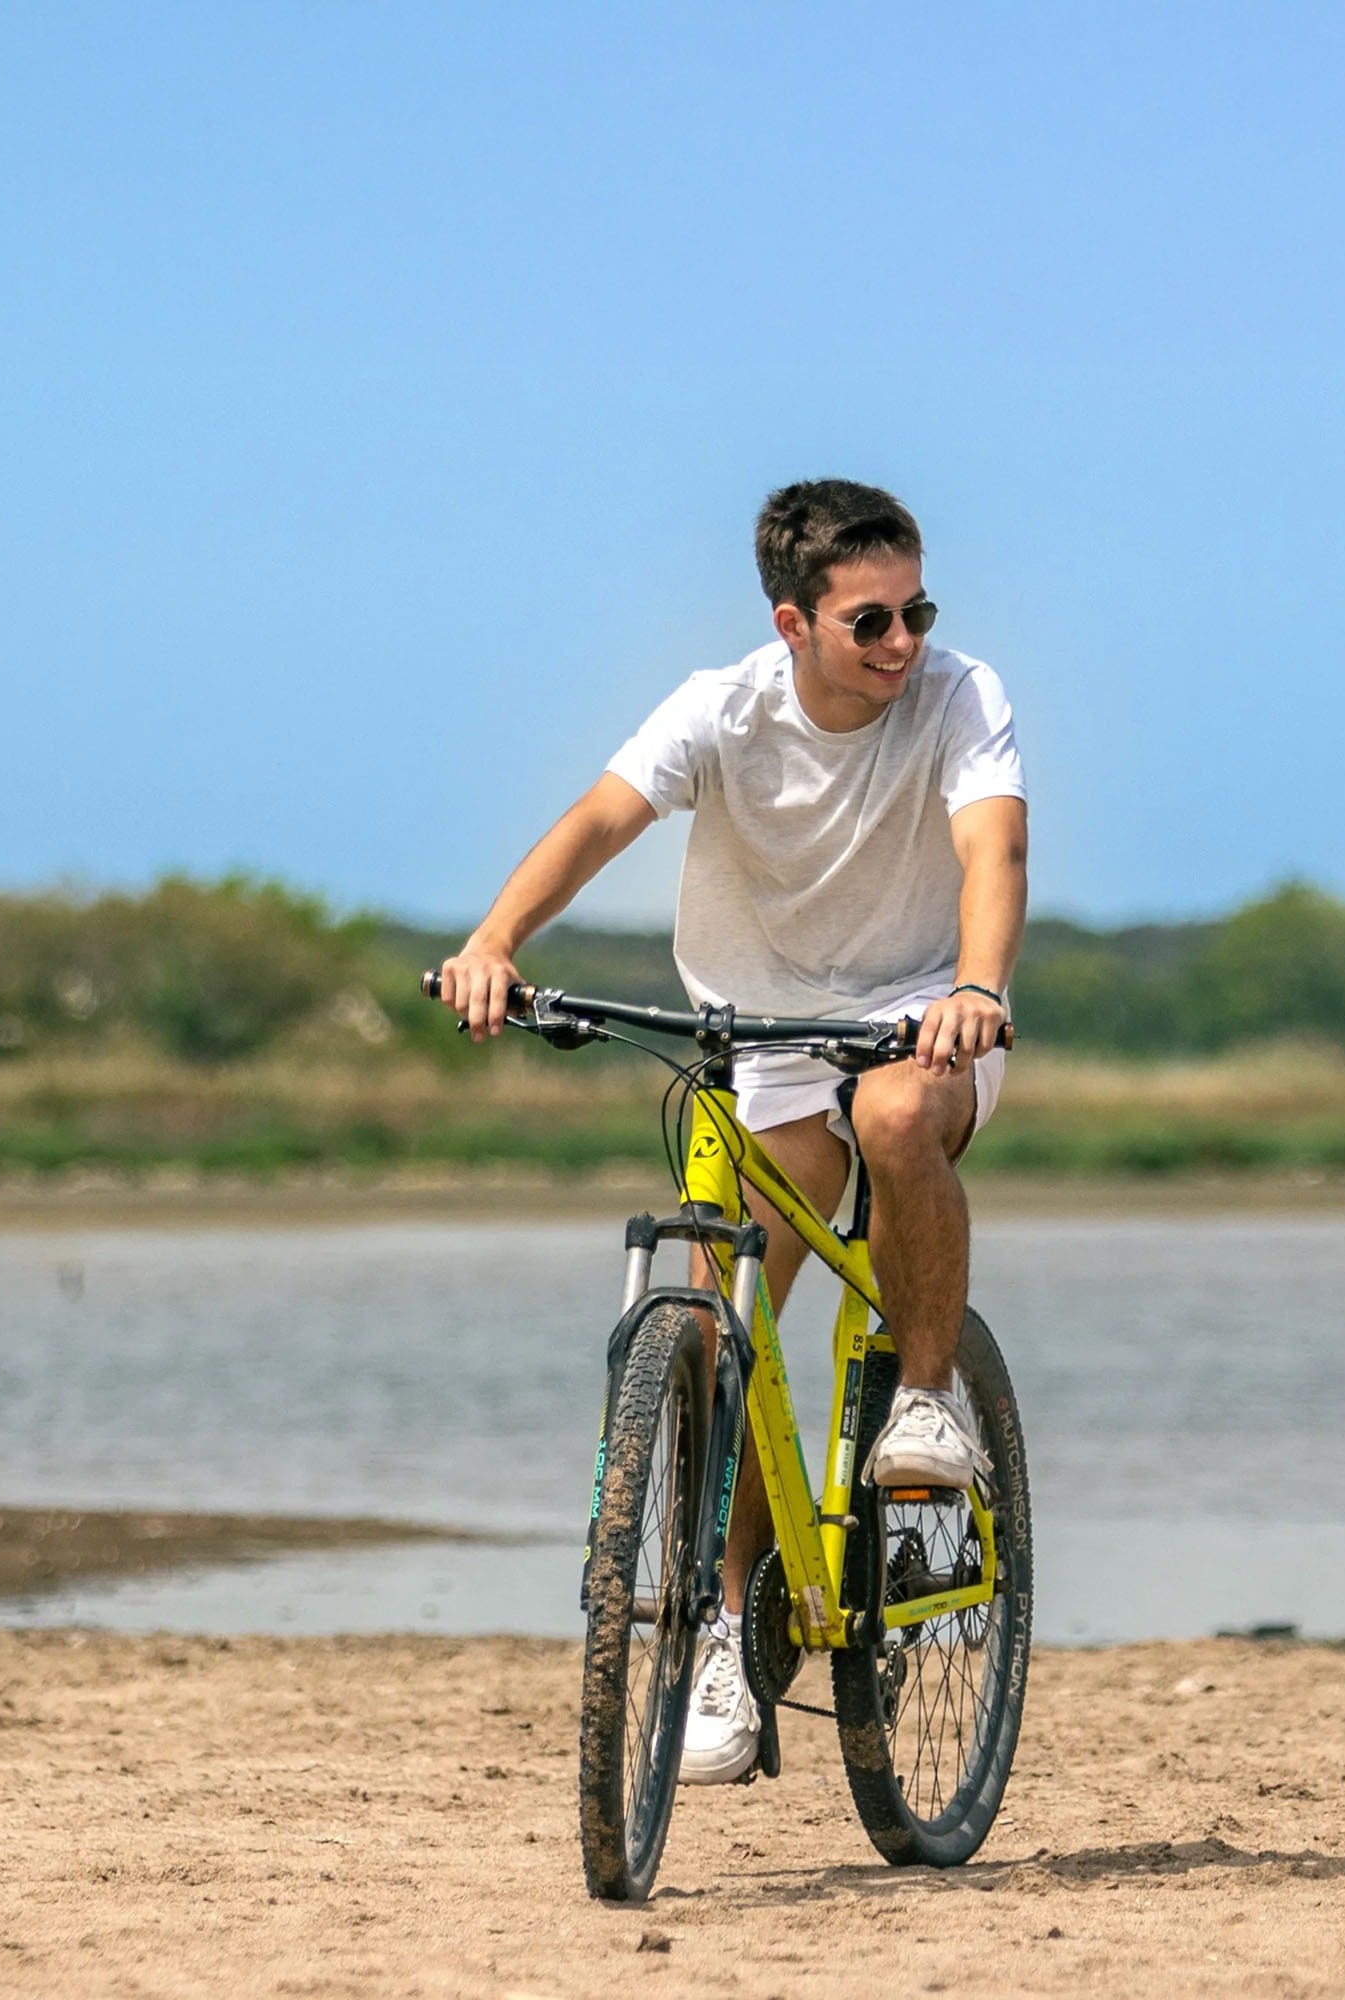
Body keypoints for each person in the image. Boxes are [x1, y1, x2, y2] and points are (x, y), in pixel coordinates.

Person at [436, 478, 1027, 1786]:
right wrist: (494, 944)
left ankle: (927, 1400)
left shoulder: (959, 697)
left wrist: (978, 989)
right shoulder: (722, 711)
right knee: (723, 1334)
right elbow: (600, 819)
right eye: (871, 620)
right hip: (751, 1034)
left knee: (892, 1118)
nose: (903, 642)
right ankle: (716, 1637)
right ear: (793, 622)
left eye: (916, 611)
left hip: (921, 1015)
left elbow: (995, 853)